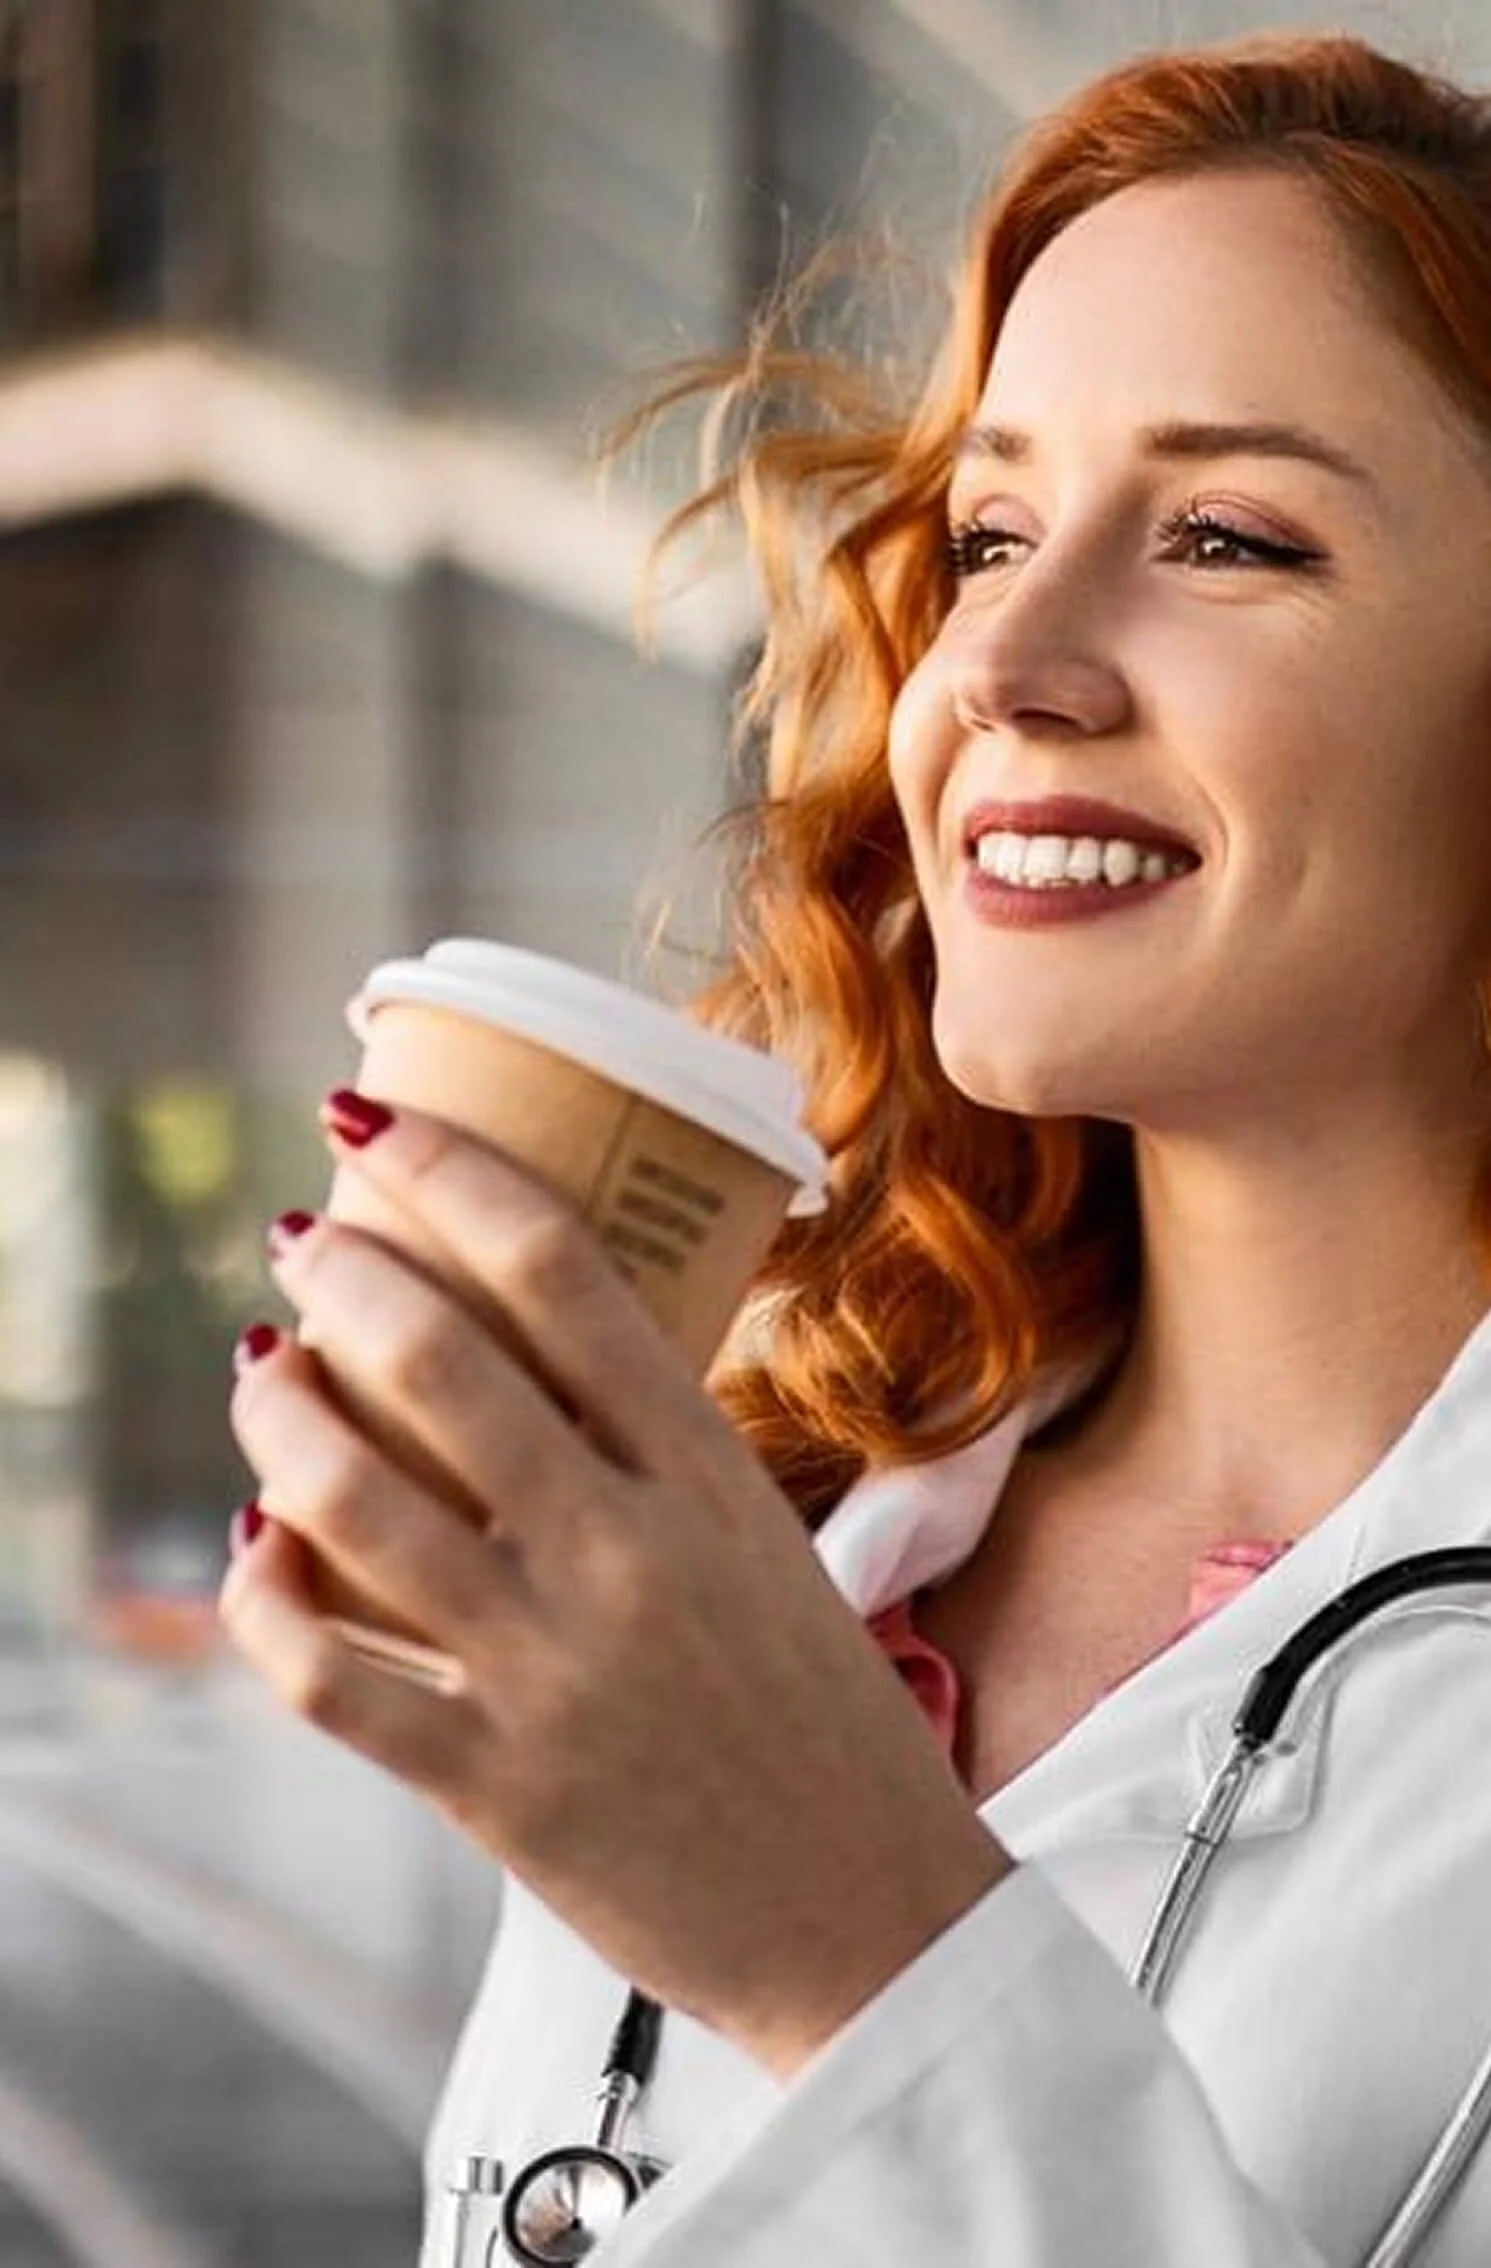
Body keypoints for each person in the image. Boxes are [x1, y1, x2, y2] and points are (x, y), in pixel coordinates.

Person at [221, 29, 1491, 2265]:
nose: (1002, 660)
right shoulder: (787, 1550)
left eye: (1223, 536)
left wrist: (854, 1949)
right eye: (989, 534)